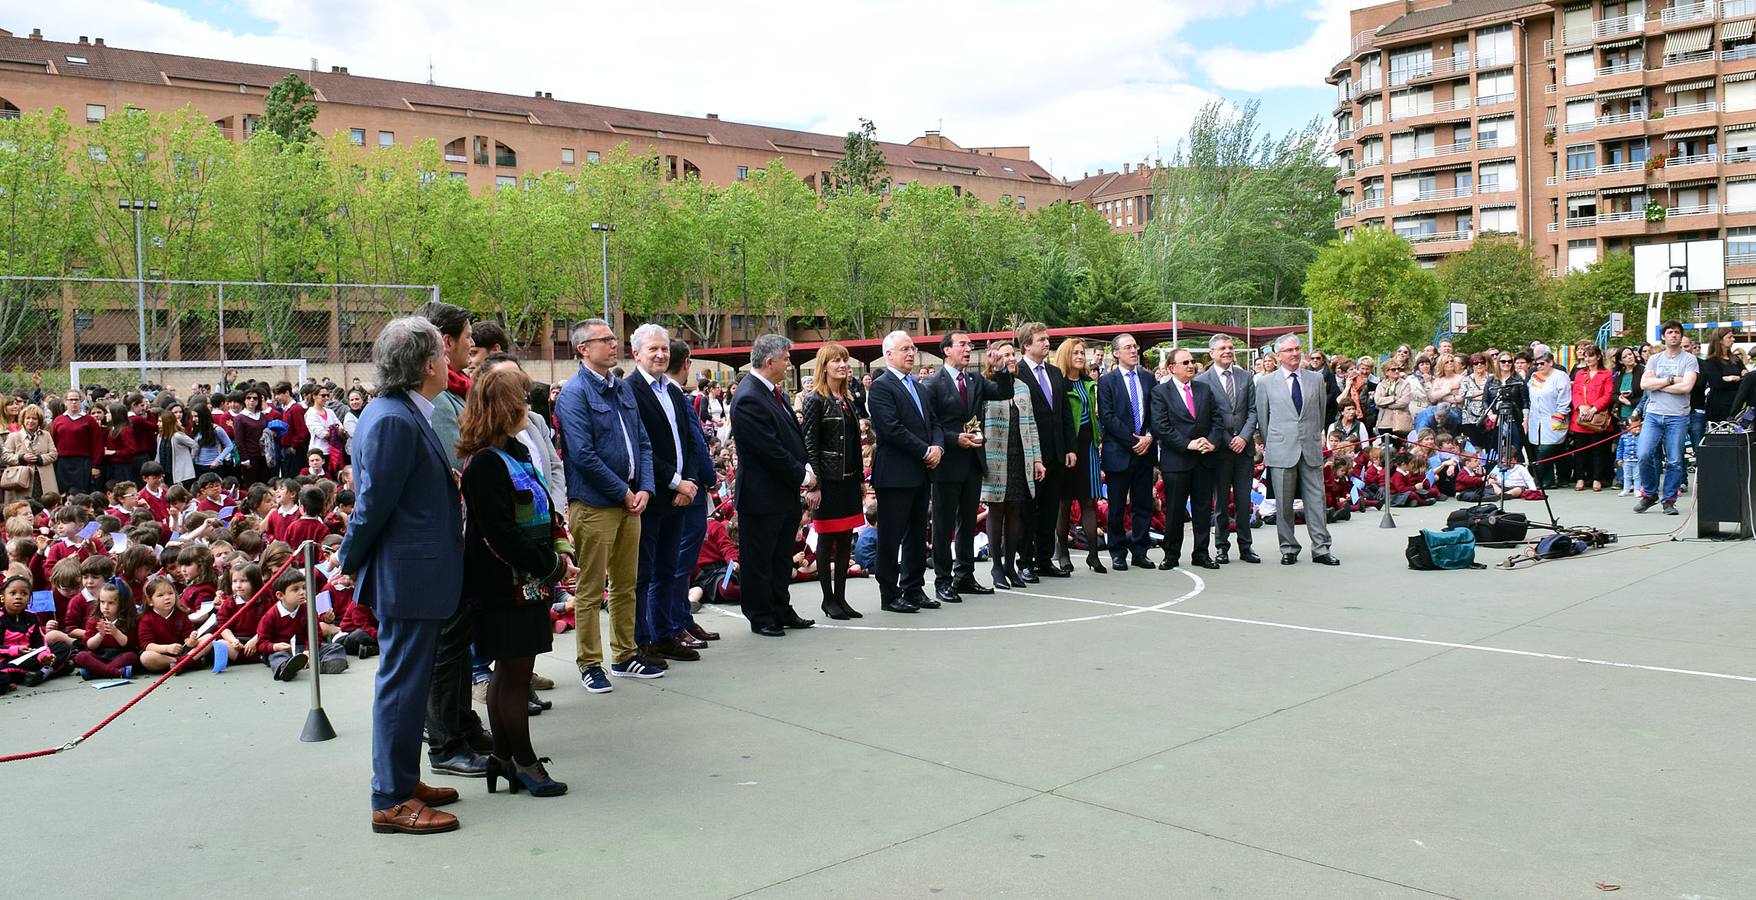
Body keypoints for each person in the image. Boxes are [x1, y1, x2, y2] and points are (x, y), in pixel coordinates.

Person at [337, 316, 467, 836]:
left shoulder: (401, 412)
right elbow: (372, 506)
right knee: (401, 687)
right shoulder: (393, 418)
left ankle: (403, 781)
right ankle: (391, 797)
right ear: (427, 364)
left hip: (416, 574)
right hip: (408, 575)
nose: (450, 359)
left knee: (409, 686)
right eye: (442, 351)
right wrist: (347, 559)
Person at [458, 365, 572, 798]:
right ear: (504, 407)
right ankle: (524, 762)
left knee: (511, 672)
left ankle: (503, 758)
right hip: (502, 586)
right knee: (513, 675)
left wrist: (559, 553)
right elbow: (499, 533)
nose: (528, 406)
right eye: (521, 400)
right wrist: (552, 566)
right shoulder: (484, 465)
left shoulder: (516, 454)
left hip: (527, 580)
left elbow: (542, 510)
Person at [554, 318, 658, 687]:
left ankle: (625, 654)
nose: (614, 344)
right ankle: (590, 663)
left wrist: (644, 486)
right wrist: (624, 492)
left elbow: (642, 442)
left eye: (615, 339)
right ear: (583, 349)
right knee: (591, 588)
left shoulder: (622, 389)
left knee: (626, 583)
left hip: (631, 501)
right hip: (597, 504)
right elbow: (582, 455)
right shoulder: (575, 394)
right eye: (606, 340)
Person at [627, 323, 703, 665]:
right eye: (652, 349)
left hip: (679, 494)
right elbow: (641, 447)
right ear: (636, 354)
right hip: (651, 495)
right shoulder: (630, 392)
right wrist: (675, 482)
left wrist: (688, 481)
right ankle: (641, 641)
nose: (660, 354)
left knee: (670, 569)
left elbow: (687, 439)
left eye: (664, 349)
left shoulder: (672, 392)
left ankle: (665, 633)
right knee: (644, 573)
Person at [729, 333, 815, 636]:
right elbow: (769, 449)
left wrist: (805, 464)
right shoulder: (750, 396)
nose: (790, 364)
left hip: (781, 493)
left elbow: (790, 436)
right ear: (770, 361)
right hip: (761, 496)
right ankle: (761, 615)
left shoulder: (772, 392)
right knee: (759, 559)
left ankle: (780, 607)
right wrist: (803, 476)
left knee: (780, 557)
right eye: (786, 359)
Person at [921, 330, 1001, 601]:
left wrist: (999, 367)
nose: (968, 349)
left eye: (970, 345)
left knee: (967, 522)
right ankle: (943, 580)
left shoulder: (975, 378)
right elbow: (930, 425)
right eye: (962, 344)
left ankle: (964, 574)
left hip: (973, 462)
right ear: (947, 350)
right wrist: (955, 439)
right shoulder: (932, 384)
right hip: (947, 463)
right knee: (943, 525)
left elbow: (1003, 391)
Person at [867, 331, 942, 614]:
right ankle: (890, 593)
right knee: (891, 535)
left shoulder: (919, 387)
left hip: (921, 472)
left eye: (912, 348)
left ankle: (913, 587)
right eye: (904, 349)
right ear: (889, 355)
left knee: (916, 534)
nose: (911, 353)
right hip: (896, 474)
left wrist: (938, 447)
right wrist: (926, 450)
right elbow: (891, 428)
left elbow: (933, 422)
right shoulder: (882, 387)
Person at [1255, 334, 1338, 566]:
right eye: (1289, 350)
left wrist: (1313, 435)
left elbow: (1321, 414)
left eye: (1297, 349)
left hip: (1310, 447)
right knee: (1283, 503)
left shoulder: (1315, 379)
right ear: (1278, 355)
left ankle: (1321, 548)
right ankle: (1288, 548)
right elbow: (1263, 419)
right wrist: (1272, 443)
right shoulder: (1265, 383)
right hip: (1281, 449)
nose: (1294, 353)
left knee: (1316, 501)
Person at [801, 343, 867, 619]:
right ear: (824, 366)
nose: (842, 365)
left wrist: (861, 477)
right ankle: (828, 600)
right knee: (826, 541)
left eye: (844, 360)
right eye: (836, 361)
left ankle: (841, 598)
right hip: (827, 482)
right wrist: (814, 484)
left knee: (844, 541)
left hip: (849, 481)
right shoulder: (815, 399)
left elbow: (854, 442)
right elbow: (810, 444)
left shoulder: (849, 400)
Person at [664, 339, 721, 648]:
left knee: (682, 560)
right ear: (686, 363)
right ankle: (675, 622)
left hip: (687, 485)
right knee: (680, 561)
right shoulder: (676, 396)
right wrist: (709, 476)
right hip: (688, 487)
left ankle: (682, 618)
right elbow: (695, 442)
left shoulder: (675, 395)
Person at [1150, 348, 1223, 570]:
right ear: (1172, 367)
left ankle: (1201, 553)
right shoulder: (1161, 392)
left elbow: (1217, 419)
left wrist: (1212, 442)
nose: (1191, 365)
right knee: (1174, 510)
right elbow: (1161, 426)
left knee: (1202, 509)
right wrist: (1187, 444)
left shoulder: (1204, 389)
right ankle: (1171, 554)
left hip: (1204, 459)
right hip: (1177, 461)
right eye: (1185, 362)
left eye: (1192, 361)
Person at [1015, 322, 1076, 579]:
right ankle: (1025, 561)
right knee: (1028, 510)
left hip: (1056, 453)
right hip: (1030, 454)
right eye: (1041, 339)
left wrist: (1070, 447)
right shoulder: (1016, 373)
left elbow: (1063, 414)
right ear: (1027, 344)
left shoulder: (1054, 373)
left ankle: (1044, 559)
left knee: (1051, 508)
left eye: (1047, 338)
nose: (1047, 343)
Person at [979, 341, 1039, 589]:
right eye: (1005, 355)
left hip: (1020, 455)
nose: (1011, 359)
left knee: (1015, 509)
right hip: (995, 456)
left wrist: (1037, 458)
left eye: (1012, 354)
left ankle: (1010, 566)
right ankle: (996, 568)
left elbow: (1032, 423)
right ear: (994, 360)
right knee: (997, 510)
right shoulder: (986, 385)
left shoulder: (1023, 387)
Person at [1195, 334, 1259, 565]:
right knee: (1221, 503)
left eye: (1231, 347)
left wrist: (1243, 437)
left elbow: (1253, 410)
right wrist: (1226, 438)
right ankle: (1222, 546)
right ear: (1211, 352)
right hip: (1219, 451)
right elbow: (1207, 416)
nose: (1227, 351)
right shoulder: (1202, 380)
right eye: (1222, 348)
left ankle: (1246, 546)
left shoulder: (1246, 377)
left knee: (1243, 501)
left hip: (1244, 450)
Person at [1098, 334, 1157, 570]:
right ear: (1116, 353)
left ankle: (1140, 550)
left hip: (1145, 450)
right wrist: (1133, 441)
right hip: (1120, 451)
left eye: (1135, 346)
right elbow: (1107, 416)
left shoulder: (1149, 378)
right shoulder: (1107, 381)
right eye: (1128, 347)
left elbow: (1156, 412)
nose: (1134, 351)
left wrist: (1149, 437)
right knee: (1117, 505)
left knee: (1143, 503)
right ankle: (1118, 551)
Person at [1635, 320, 1698, 515]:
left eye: (1677, 332)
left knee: (1675, 460)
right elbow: (1644, 384)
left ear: (1681, 336)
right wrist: (1671, 380)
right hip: (1653, 414)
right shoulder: (1654, 359)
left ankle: (1669, 499)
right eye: (1670, 332)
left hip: (1677, 416)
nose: (1673, 335)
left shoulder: (1689, 360)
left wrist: (1659, 384)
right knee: (1643, 454)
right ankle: (1650, 493)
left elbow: (1687, 387)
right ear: (1663, 336)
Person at [1053, 337, 1103, 573]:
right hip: (1067, 449)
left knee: (1089, 501)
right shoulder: (1059, 384)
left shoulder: (1088, 383)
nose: (1080, 357)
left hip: (1089, 448)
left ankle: (1093, 555)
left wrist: (1098, 438)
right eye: (1075, 353)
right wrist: (1065, 448)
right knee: (1064, 503)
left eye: (1082, 353)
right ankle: (1062, 553)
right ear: (1066, 356)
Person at [1568, 345, 1614, 492]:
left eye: (1591, 356)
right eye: (1586, 356)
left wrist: (1594, 409)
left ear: (1598, 357)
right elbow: (1575, 392)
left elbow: (1608, 395)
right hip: (1581, 416)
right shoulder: (1580, 374)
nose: (1587, 359)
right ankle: (1580, 478)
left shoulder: (1606, 374)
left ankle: (1597, 478)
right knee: (1580, 450)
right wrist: (1581, 406)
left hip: (1597, 417)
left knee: (1598, 450)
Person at [1524, 352, 1570, 490]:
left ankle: (1535, 480)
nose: (1539, 366)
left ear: (1550, 362)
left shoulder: (1560, 376)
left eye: (1542, 363)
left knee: (1546, 448)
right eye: (1537, 364)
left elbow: (1564, 399)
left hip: (1554, 417)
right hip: (1536, 419)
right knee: (1538, 447)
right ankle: (1548, 481)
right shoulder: (1535, 377)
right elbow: (1530, 395)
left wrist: (1561, 415)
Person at [50, 389, 102, 495]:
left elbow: (97, 444)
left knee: (82, 493)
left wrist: (96, 466)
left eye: (76, 400)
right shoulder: (58, 420)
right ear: (65, 402)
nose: (73, 402)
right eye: (71, 400)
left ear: (80, 402)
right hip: (62, 463)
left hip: (83, 463)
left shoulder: (89, 420)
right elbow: (52, 443)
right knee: (63, 493)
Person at [2, 405, 55, 503]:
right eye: (28, 418)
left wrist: (40, 459)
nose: (30, 421)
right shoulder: (13, 436)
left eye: (34, 418)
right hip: (21, 481)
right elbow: (5, 456)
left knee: (44, 505)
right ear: (23, 420)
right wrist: (21, 458)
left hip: (42, 480)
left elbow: (53, 454)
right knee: (22, 507)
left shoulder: (46, 435)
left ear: (39, 421)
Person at [1702, 327, 1744, 424]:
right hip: (1719, 405)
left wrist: (1732, 378)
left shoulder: (1736, 360)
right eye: (1729, 337)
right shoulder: (1711, 361)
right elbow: (1717, 383)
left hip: (1736, 403)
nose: (1733, 339)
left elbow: (1746, 379)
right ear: (1720, 340)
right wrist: (1737, 378)